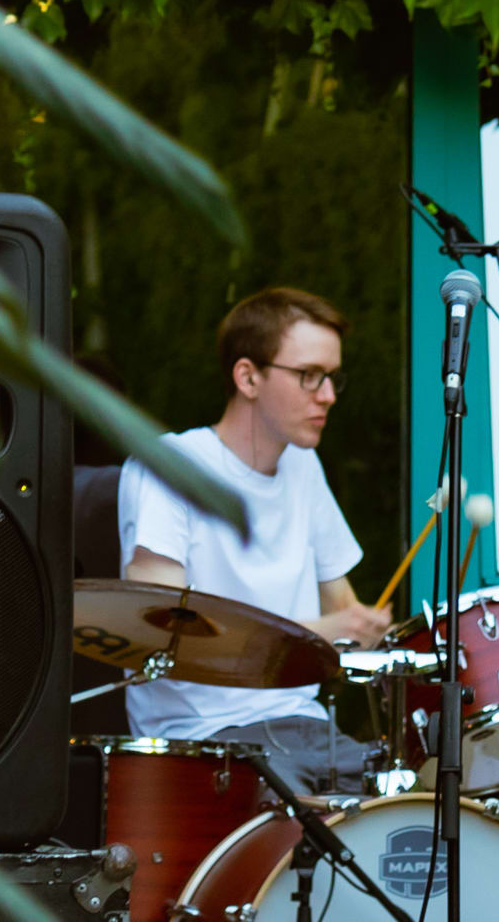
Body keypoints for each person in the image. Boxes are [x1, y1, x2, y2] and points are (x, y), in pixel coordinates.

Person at [119, 285, 396, 788]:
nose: (328, 395)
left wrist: (369, 630)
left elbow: (342, 608)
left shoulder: (303, 466)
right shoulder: (170, 466)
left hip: (305, 724)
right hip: (206, 737)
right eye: (309, 375)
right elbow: (163, 633)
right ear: (248, 377)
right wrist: (321, 631)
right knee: (306, 824)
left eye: (332, 377)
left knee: (412, 806)